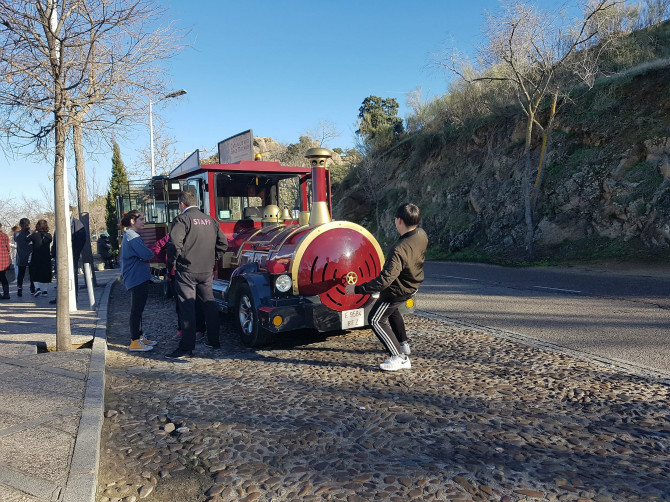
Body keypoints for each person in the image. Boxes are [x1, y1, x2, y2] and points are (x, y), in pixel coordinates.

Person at [345, 203, 428, 372]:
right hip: (413, 285)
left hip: (397, 291)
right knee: (392, 311)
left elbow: (384, 281)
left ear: (398, 221)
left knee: (375, 319)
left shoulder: (399, 249)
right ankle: (403, 344)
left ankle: (399, 357)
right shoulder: (421, 234)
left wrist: (356, 289)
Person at [165, 190, 227, 359]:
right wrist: (213, 259)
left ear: (182, 204)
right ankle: (214, 340)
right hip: (206, 270)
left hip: (186, 270)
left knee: (187, 308)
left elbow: (174, 245)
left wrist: (172, 264)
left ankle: (186, 347)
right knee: (209, 304)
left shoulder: (182, 219)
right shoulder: (210, 220)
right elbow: (223, 243)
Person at [120, 210, 158, 352]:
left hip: (138, 276)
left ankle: (139, 337)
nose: (144, 221)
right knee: (136, 310)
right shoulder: (132, 236)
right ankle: (134, 341)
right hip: (136, 277)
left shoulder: (131, 235)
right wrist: (146, 255)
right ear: (132, 221)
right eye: (141, 219)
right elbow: (146, 254)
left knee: (139, 309)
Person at [49, 208, 87, 304]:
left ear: (71, 212)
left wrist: (75, 252)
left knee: (72, 275)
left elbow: (81, 239)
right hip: (59, 255)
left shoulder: (76, 223)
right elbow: (56, 239)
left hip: (72, 254)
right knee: (59, 275)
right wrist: (53, 252)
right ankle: (60, 297)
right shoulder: (59, 223)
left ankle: (73, 296)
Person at [27, 219, 53, 297]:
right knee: (46, 272)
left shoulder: (35, 235)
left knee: (34, 272)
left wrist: (34, 232)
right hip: (46, 256)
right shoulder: (49, 235)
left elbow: (27, 239)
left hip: (36, 256)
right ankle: (45, 290)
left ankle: (37, 288)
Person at [14, 218, 35, 297]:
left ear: (20, 225)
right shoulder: (32, 233)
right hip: (30, 255)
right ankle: (32, 287)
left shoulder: (17, 234)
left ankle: (19, 289)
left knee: (21, 273)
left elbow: (16, 240)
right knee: (32, 273)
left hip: (20, 255)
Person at [0, 223, 11, 299]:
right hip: (3, 259)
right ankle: (6, 294)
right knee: (3, 276)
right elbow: (8, 248)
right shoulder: (4, 236)